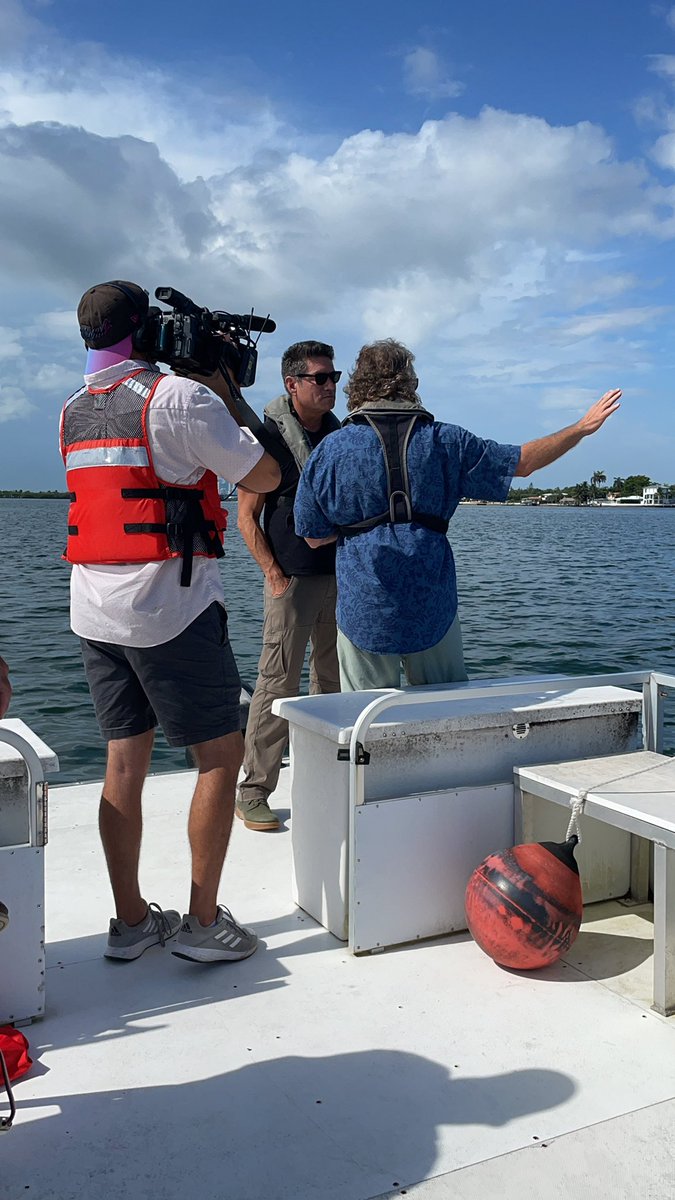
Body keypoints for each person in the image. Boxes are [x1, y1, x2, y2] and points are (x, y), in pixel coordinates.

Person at [61, 281, 281, 963]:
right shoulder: (180, 398)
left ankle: (130, 925)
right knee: (218, 757)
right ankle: (204, 924)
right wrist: (221, 386)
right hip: (170, 607)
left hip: (93, 608)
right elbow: (267, 475)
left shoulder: (72, 410)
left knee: (124, 761)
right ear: (144, 331)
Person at [294, 338, 621, 690]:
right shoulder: (447, 441)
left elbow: (312, 535)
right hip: (432, 606)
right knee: (445, 709)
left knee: (366, 719)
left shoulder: (330, 451)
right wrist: (581, 428)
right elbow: (522, 463)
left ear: (356, 386)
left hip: (364, 606)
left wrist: (358, 535)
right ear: (411, 385)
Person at [235, 342, 341, 831]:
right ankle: (254, 790)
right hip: (292, 581)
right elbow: (246, 520)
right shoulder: (265, 439)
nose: (329, 385)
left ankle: (326, 779)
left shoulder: (340, 435)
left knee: (332, 682)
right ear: (291, 384)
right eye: (319, 378)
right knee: (277, 683)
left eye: (333, 376)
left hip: (340, 579)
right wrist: (274, 576)